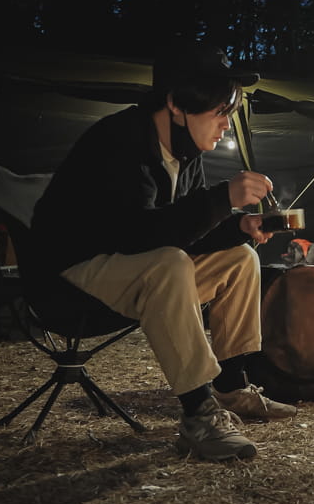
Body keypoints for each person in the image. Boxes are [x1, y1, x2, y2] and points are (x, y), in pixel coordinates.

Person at [29, 39, 297, 461]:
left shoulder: (187, 153)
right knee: (168, 264)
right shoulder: (118, 141)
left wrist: (238, 228)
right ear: (176, 103)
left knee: (240, 257)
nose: (226, 124)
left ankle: (230, 388)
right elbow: (137, 236)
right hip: (70, 277)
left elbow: (182, 232)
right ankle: (198, 415)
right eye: (220, 112)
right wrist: (221, 197)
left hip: (131, 269)